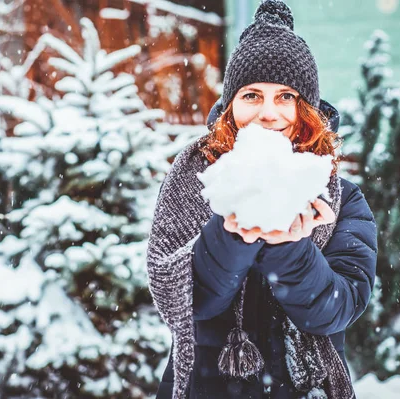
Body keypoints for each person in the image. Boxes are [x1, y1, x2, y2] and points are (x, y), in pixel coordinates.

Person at [146, 1, 378, 398]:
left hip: (305, 387)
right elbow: (188, 299)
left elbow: (337, 308)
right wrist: (231, 234)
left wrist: (291, 248)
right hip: (207, 386)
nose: (268, 113)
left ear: (307, 110)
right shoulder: (194, 181)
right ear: (230, 108)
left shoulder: (342, 200)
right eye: (252, 95)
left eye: (286, 97)